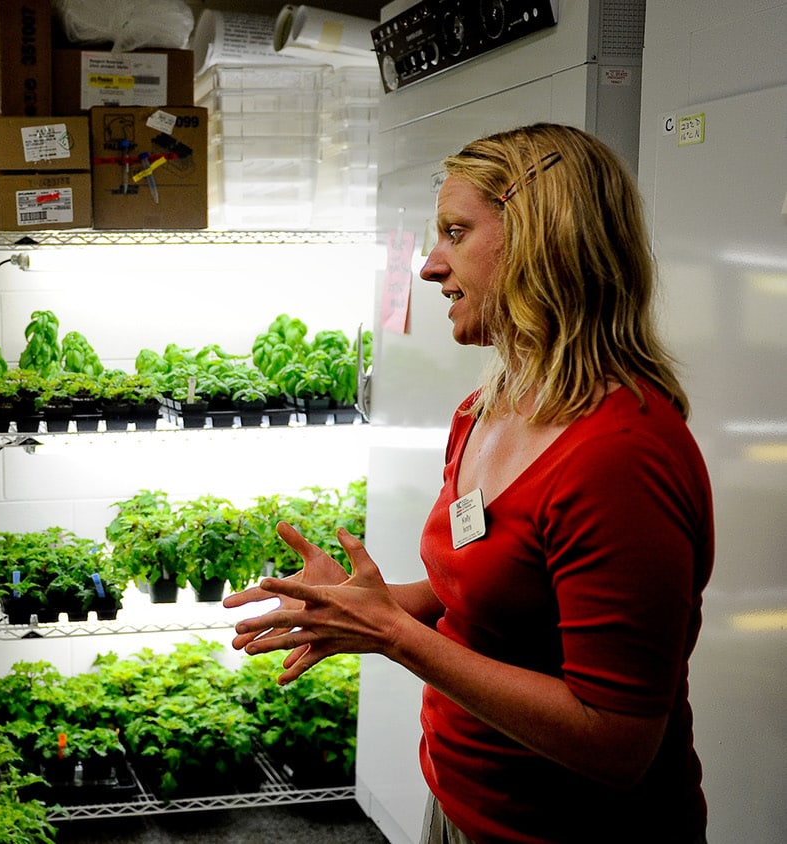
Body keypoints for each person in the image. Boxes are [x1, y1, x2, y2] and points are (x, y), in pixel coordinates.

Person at [225, 123, 712, 844]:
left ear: (545, 238)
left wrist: (393, 636)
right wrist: (364, 606)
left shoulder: (619, 456)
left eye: (456, 233)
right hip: (464, 801)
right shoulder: (484, 411)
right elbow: (478, 600)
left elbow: (617, 742)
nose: (428, 267)